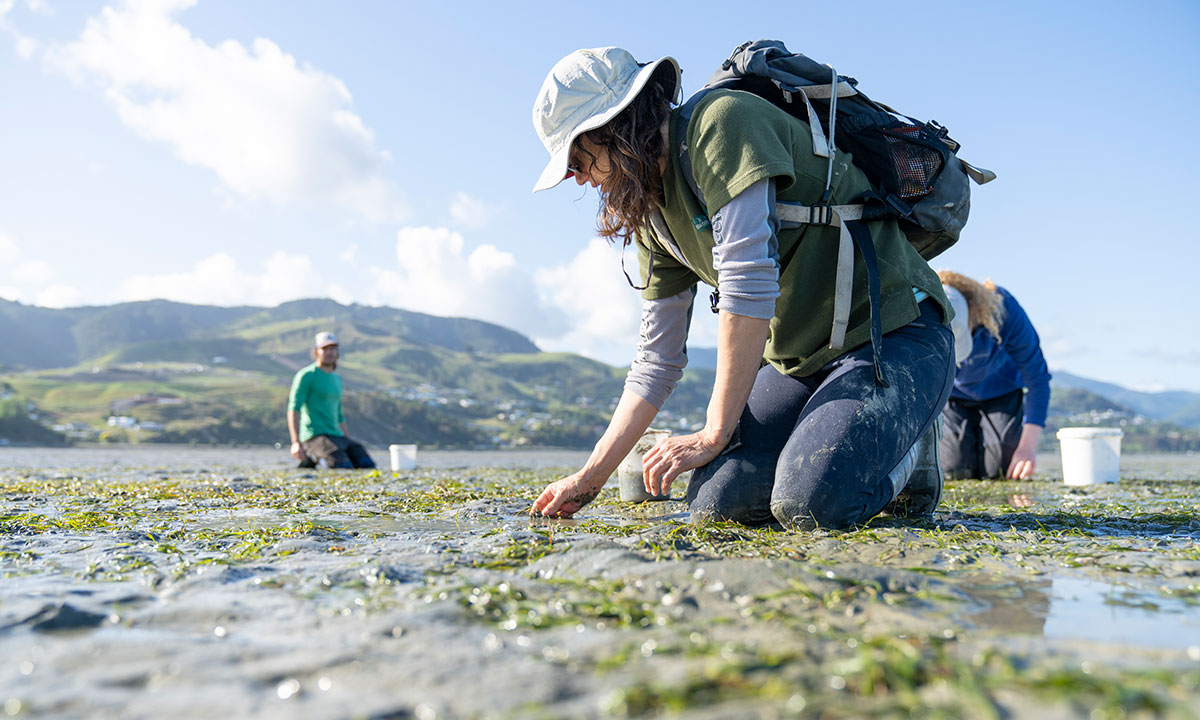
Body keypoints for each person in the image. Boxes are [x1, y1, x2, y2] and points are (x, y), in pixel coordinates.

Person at [528, 47, 957, 529]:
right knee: (716, 508)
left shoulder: (723, 124)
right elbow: (656, 360)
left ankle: (913, 451)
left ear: (614, 128)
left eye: (576, 160)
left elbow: (746, 282)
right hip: (799, 360)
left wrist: (715, 432)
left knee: (813, 506)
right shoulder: (650, 213)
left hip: (894, 333)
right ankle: (843, 440)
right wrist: (590, 476)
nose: (580, 179)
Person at [937, 271, 1051, 480]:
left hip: (1001, 391)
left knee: (1000, 469)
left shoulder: (1003, 308)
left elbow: (1038, 380)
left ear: (973, 314)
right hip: (951, 396)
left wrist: (1027, 448)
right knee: (955, 469)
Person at [287, 331, 376, 469]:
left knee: (366, 464)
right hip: (314, 437)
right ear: (316, 351)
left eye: (333, 348)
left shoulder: (337, 379)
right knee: (342, 466)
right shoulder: (306, 375)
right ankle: (311, 456)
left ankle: (318, 458)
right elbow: (294, 408)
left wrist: (347, 439)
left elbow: (339, 415)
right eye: (325, 349)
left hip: (337, 436)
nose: (330, 352)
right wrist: (295, 442)